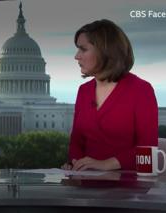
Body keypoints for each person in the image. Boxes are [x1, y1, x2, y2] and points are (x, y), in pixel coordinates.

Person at [62, 19, 158, 171]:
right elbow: (76, 143)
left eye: (83, 49)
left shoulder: (141, 90)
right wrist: (74, 164)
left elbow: (147, 150)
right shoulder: (84, 91)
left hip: (127, 189)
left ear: (104, 51)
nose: (76, 56)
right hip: (85, 187)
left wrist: (107, 164)